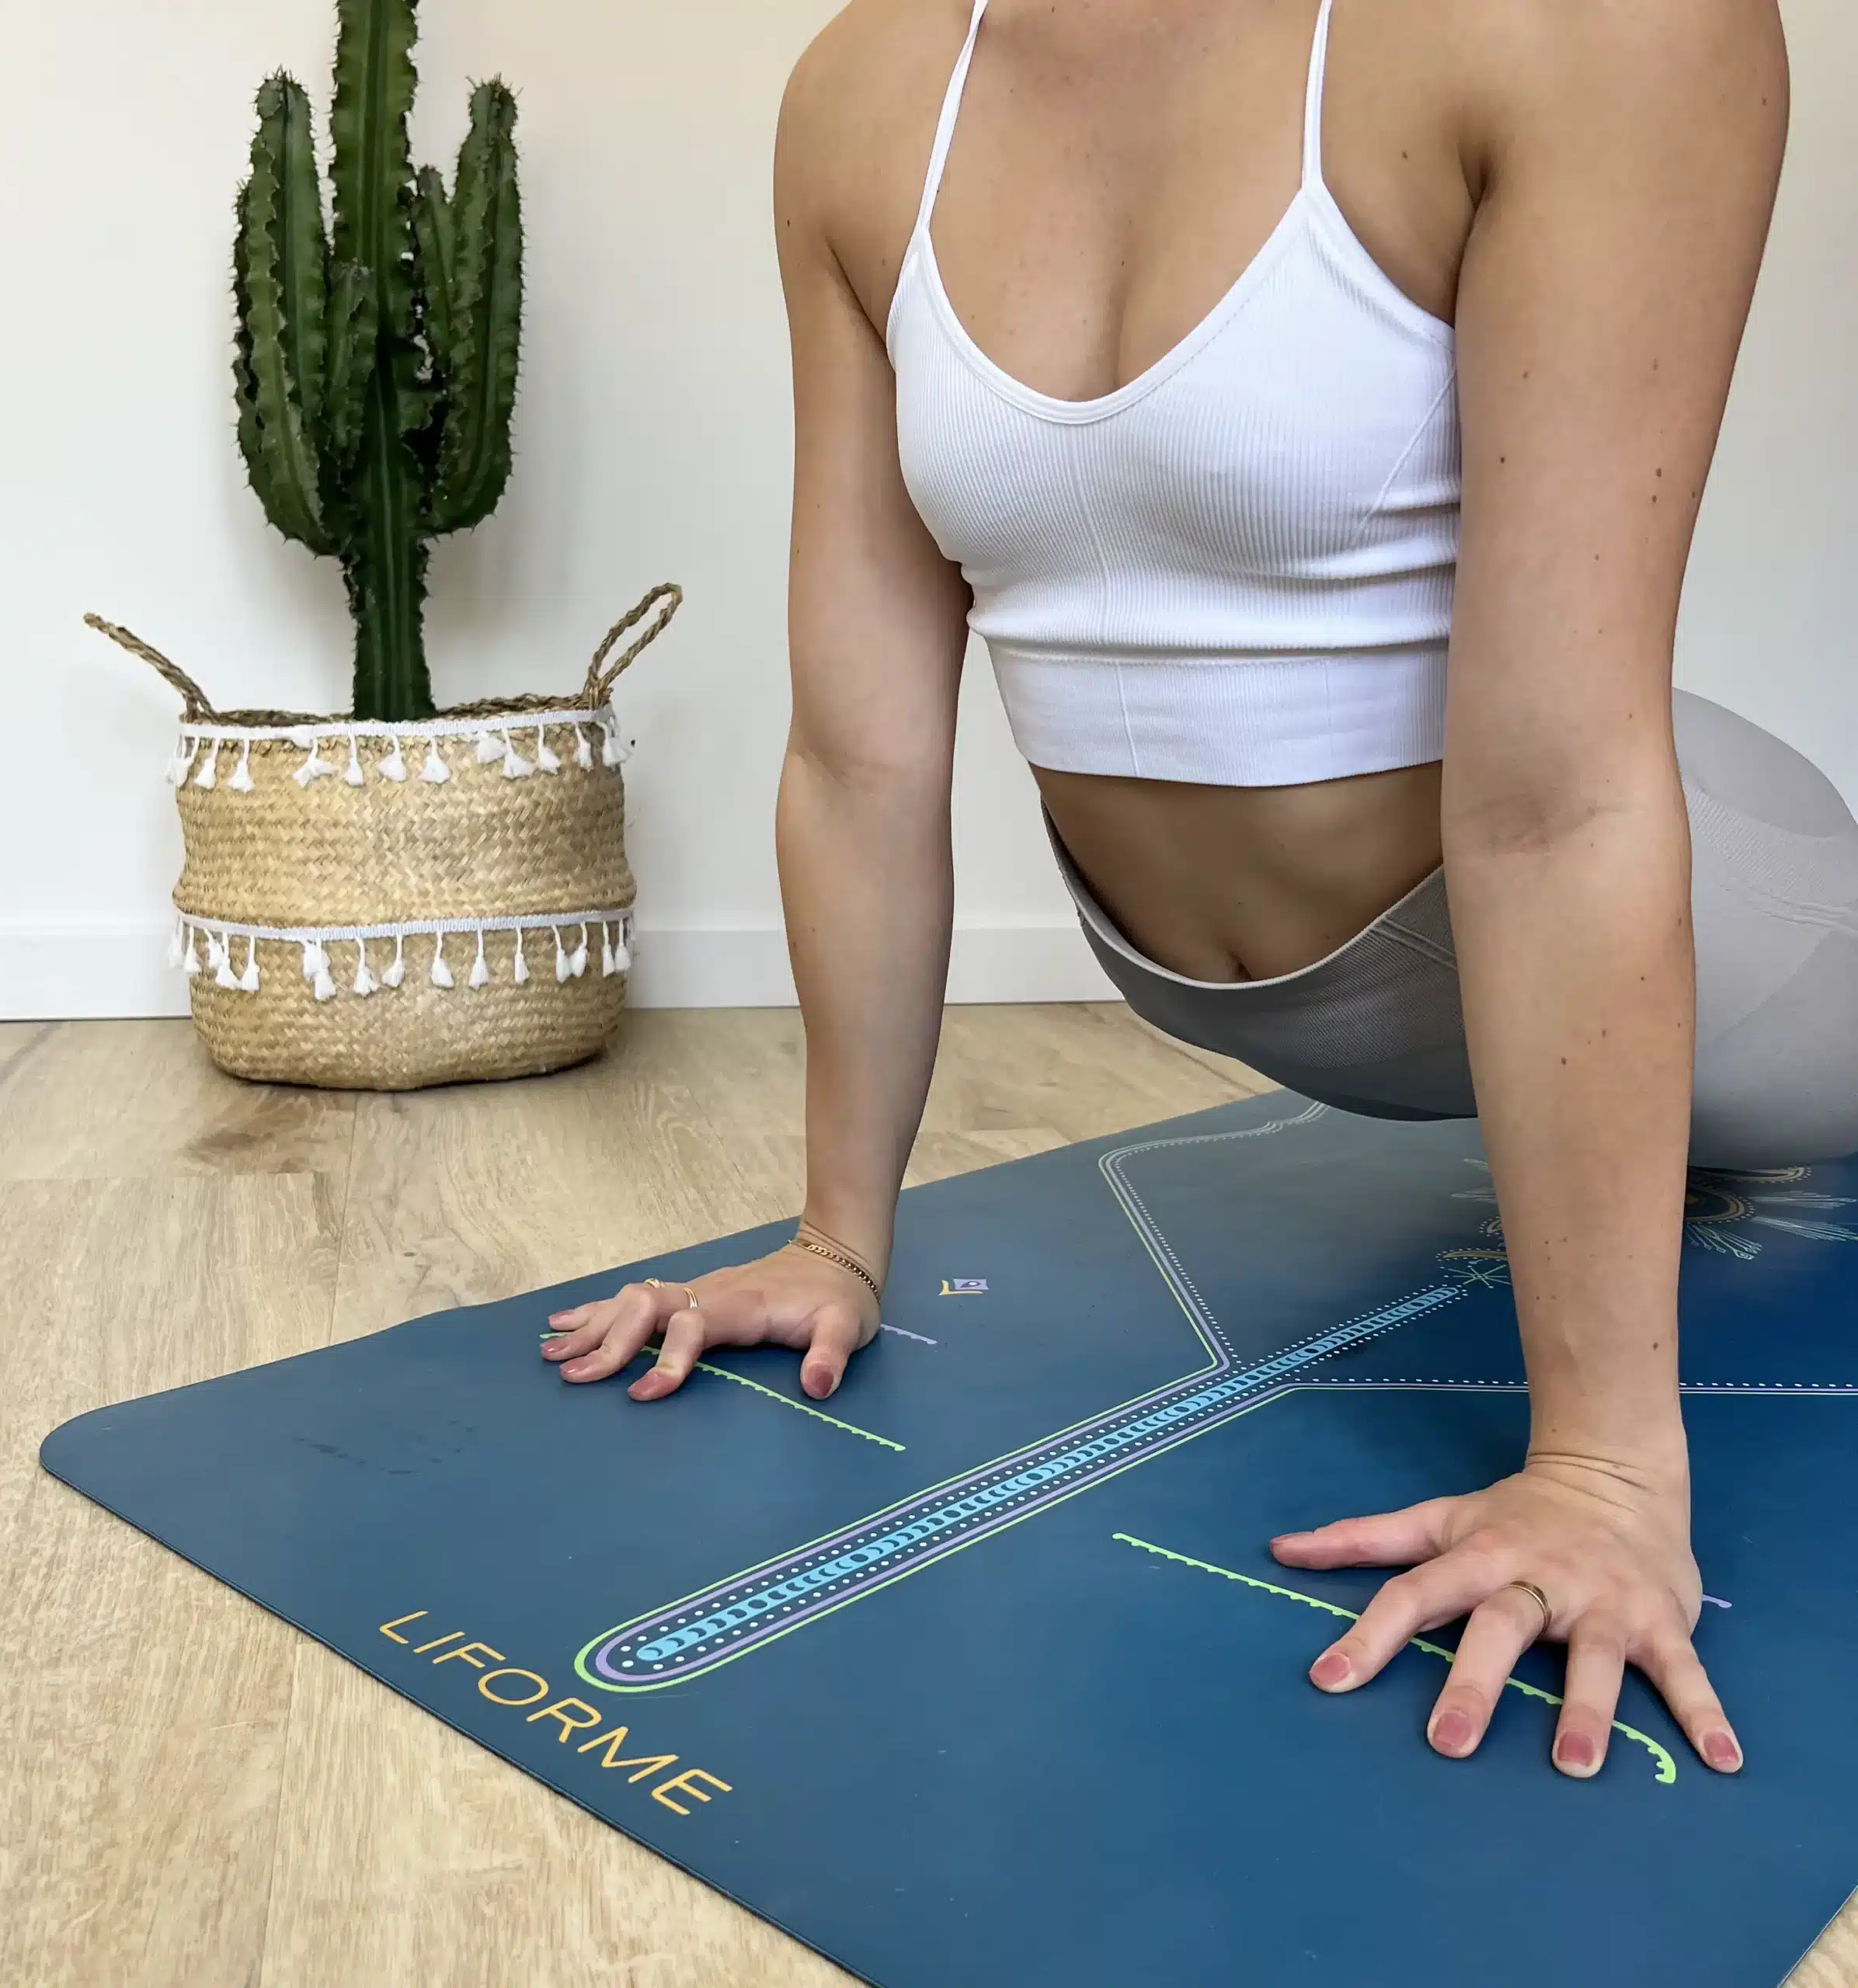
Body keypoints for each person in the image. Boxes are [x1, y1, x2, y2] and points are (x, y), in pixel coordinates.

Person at [546, 0, 1858, 1781]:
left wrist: (1601, 1469)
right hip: (1332, 977)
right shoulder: (866, 90)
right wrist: (836, 1233)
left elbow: (1557, 800)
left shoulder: (1587, 23)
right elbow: (860, 756)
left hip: (1696, 900)